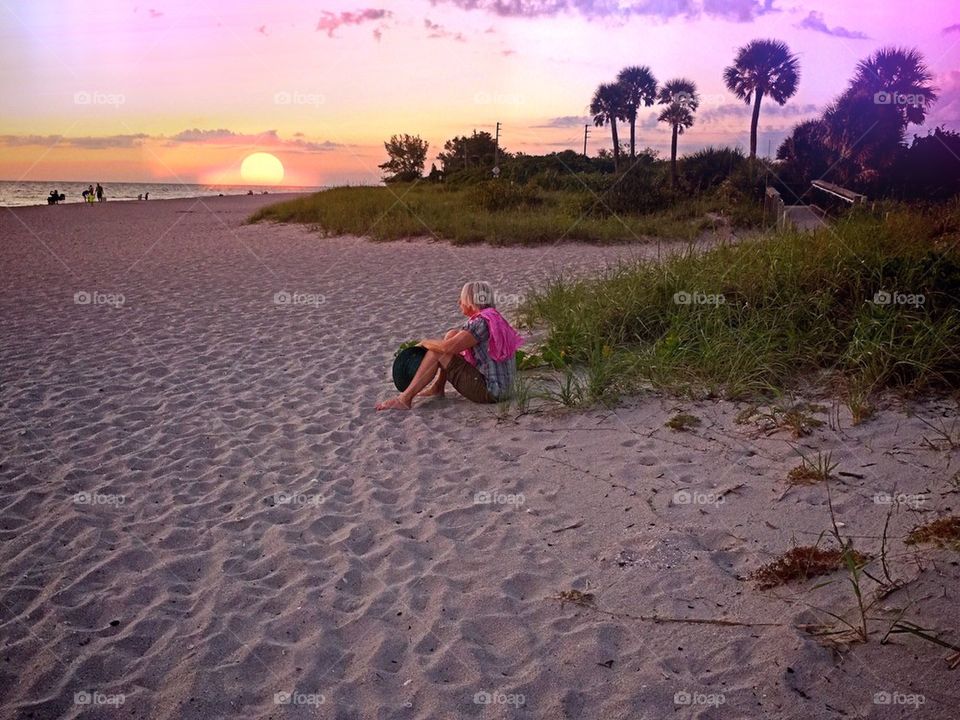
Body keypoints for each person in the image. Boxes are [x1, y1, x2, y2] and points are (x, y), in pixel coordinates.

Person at [376, 281, 523, 411]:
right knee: (452, 334)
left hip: (491, 392)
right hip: (505, 389)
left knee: (437, 351)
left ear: (471, 300)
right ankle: (438, 387)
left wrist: (425, 342)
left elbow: (447, 348)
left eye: (462, 298)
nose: (459, 302)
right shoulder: (493, 317)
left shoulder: (480, 323)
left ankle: (404, 399)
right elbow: (453, 343)